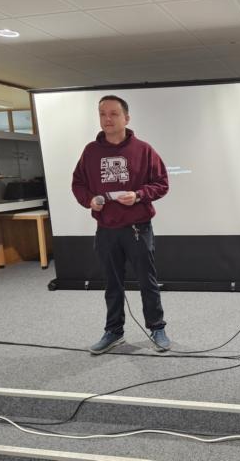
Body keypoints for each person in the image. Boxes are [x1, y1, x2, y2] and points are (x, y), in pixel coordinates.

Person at [72, 95, 170, 354]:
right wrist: (89, 200)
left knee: (147, 281)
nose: (107, 119)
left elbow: (162, 183)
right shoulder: (90, 152)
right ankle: (114, 331)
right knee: (112, 284)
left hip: (138, 228)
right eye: (102, 114)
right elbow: (78, 183)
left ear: (126, 118)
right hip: (106, 229)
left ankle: (157, 327)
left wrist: (138, 195)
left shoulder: (144, 150)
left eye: (114, 114)